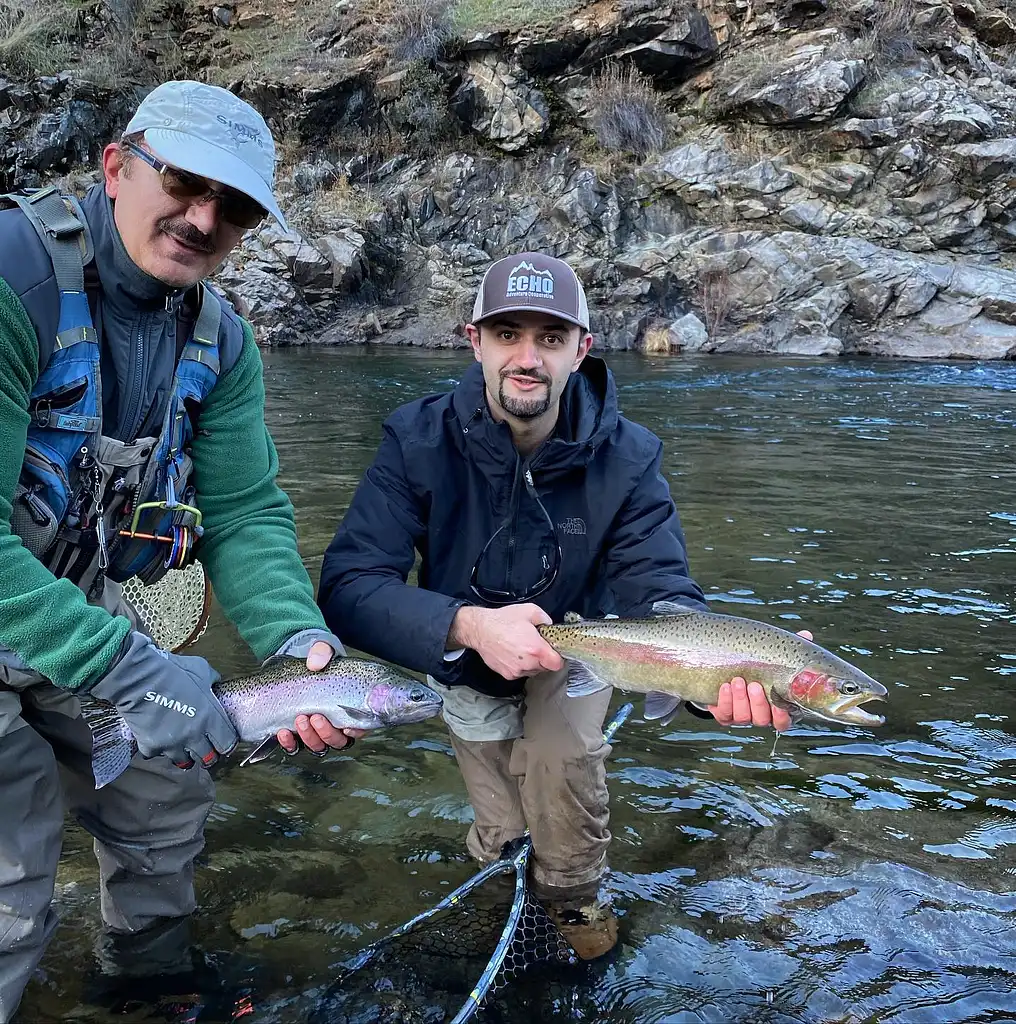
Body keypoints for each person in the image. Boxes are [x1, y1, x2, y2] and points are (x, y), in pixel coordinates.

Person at [317, 251, 807, 961]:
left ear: (581, 350)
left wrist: (716, 678)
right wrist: (468, 626)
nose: (527, 357)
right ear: (472, 340)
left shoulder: (630, 457)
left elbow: (660, 590)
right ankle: (502, 889)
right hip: (461, 652)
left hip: (584, 647)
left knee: (562, 765)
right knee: (501, 826)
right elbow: (350, 585)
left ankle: (576, 904)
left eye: (549, 339)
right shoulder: (415, 440)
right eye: (508, 333)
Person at [0, 80, 364, 1022]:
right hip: (51, 621)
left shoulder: (221, 341)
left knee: (168, 798)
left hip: (74, 616)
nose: (204, 219)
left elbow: (245, 512)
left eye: (235, 207)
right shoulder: (13, 277)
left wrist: (296, 642)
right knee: (9, 882)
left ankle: (145, 992)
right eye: (185, 183)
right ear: (117, 166)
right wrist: (130, 671)